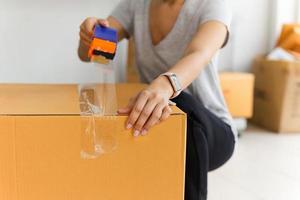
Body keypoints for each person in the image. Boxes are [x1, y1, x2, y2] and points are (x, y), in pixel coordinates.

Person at [78, 0, 236, 199]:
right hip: (157, 121)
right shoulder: (137, 5)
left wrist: (163, 87)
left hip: (211, 131)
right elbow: (92, 51)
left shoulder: (212, 5)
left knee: (181, 105)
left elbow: (200, 52)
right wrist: (90, 36)